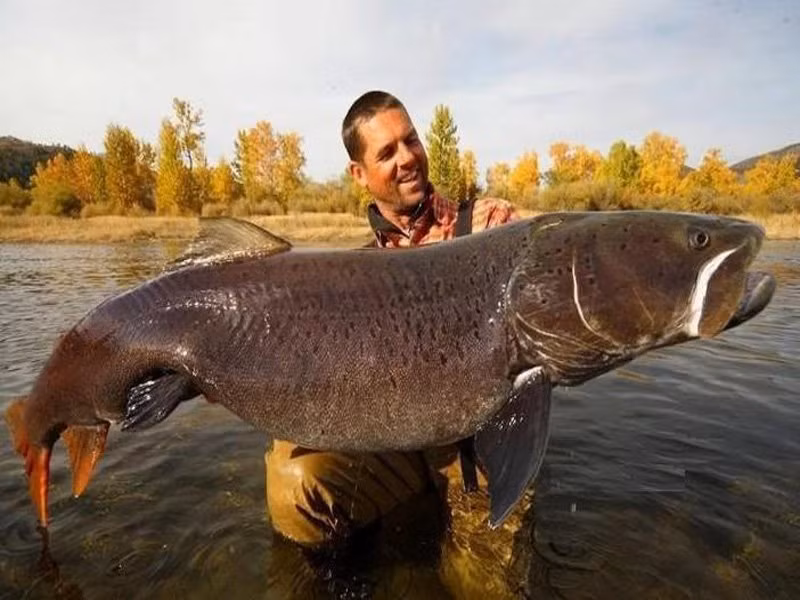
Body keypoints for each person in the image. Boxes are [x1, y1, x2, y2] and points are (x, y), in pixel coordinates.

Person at [264, 90, 520, 548]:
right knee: (294, 484)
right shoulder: (356, 274)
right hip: (395, 442)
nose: (407, 158)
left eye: (412, 140)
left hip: (480, 457)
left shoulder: (490, 223)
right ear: (359, 174)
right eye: (386, 152)